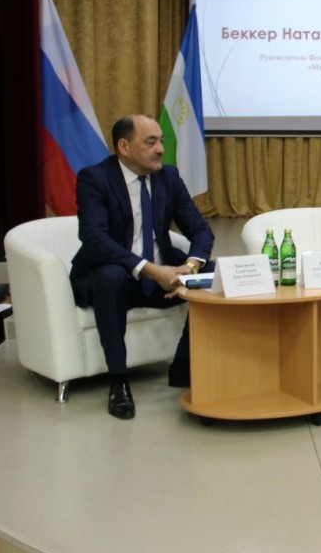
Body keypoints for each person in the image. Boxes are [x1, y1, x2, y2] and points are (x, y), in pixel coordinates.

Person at [70, 114, 214, 420]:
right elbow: (95, 239)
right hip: (112, 274)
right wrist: (151, 270)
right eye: (151, 142)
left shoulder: (168, 177)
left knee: (213, 273)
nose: (160, 148)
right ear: (124, 147)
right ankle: (118, 383)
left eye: (161, 141)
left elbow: (200, 230)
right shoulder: (95, 178)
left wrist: (189, 268)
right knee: (111, 277)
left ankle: (183, 365)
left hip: (162, 275)